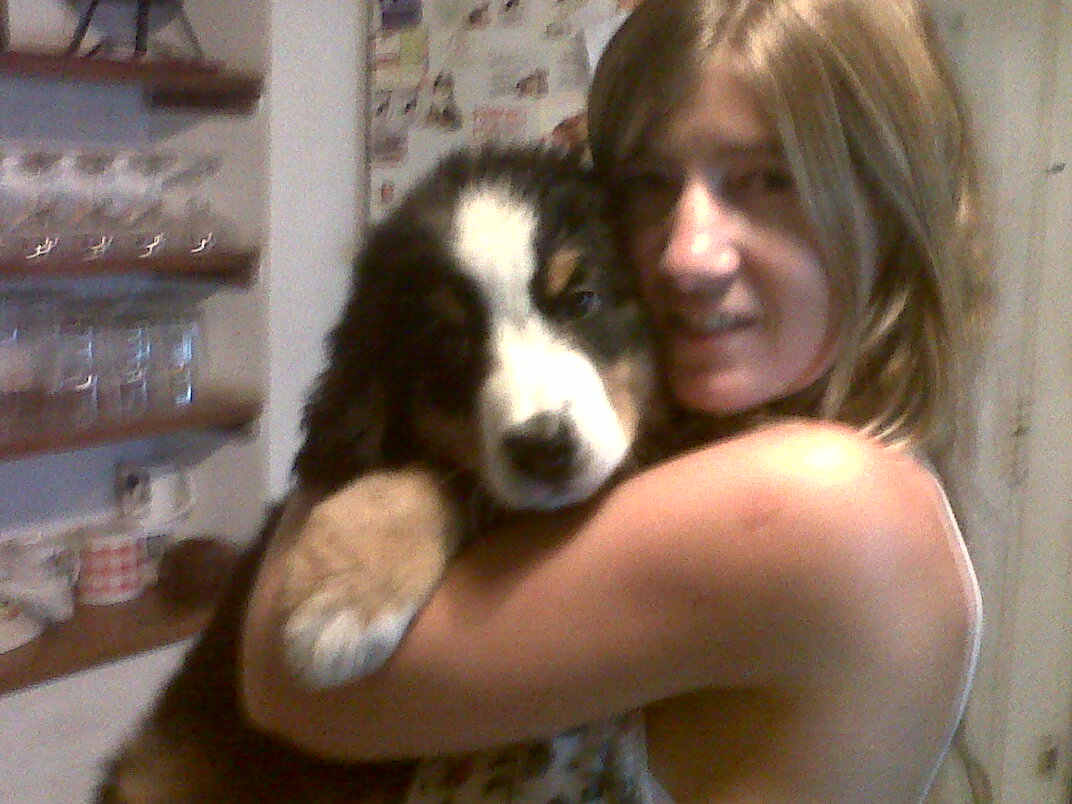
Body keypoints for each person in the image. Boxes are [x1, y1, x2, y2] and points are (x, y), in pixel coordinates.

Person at [240, 0, 990, 800]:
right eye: (649, 183)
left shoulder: (826, 503)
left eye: (771, 179)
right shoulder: (720, 455)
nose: (685, 255)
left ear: (896, 208)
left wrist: (372, 436)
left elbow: (292, 683)